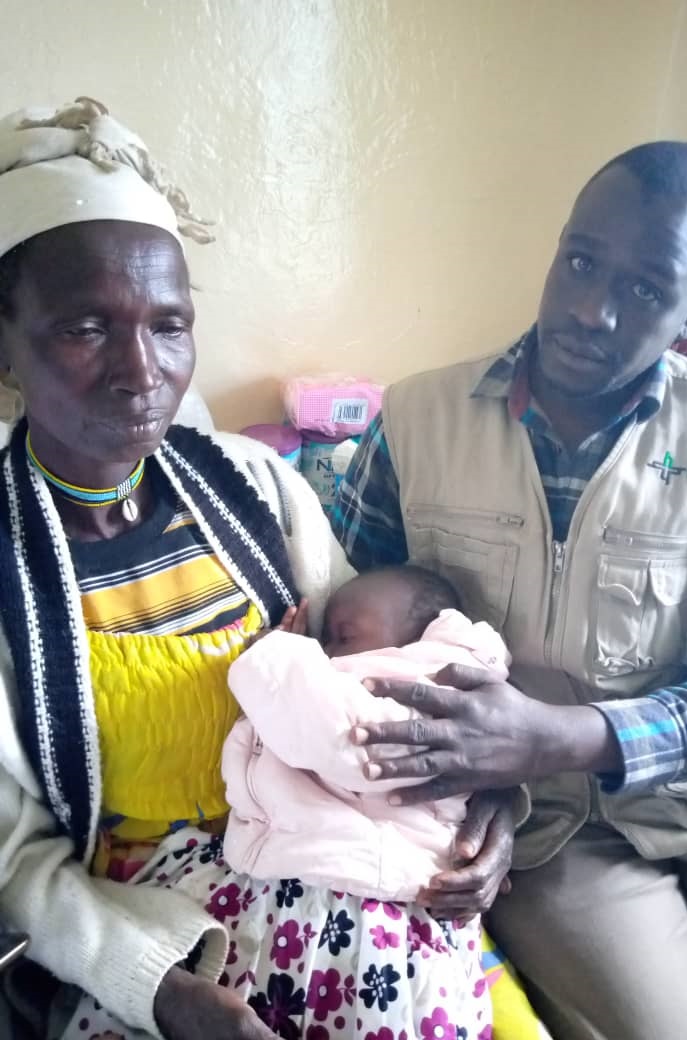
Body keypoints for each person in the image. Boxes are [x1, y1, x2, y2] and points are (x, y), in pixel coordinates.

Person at [0, 98, 515, 1040]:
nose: (141, 370)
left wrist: (488, 802)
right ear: (4, 341)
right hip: (144, 935)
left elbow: (394, 673)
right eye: (84, 328)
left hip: (347, 873)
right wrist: (153, 986)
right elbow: (11, 862)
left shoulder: (255, 487)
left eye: (169, 324)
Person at [332, 141, 687, 1040]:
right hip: (543, 826)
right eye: (580, 261)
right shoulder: (415, 422)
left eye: (647, 290)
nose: (589, 310)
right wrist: (474, 801)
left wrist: (572, 734)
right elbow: (348, 649)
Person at [223, 565, 511, 901]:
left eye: (344, 637)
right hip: (320, 867)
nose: (326, 650)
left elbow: (346, 745)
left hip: (358, 891)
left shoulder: (424, 691)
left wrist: (274, 657)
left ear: (419, 640)